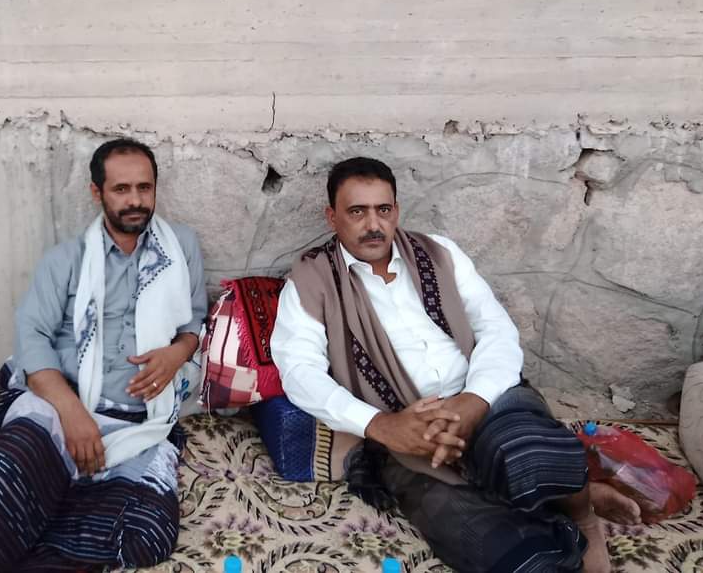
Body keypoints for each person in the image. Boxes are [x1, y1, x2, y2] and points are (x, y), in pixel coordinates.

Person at [270, 157, 639, 573]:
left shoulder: (439, 253)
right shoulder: (311, 280)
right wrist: (382, 426)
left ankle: (583, 516)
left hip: (486, 398)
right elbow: (298, 371)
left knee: (529, 453)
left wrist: (474, 401)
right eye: (357, 211)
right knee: (503, 552)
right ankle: (563, 501)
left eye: (383, 209)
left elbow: (496, 329)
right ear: (332, 217)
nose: (373, 224)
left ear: (396, 211)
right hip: (406, 431)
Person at [0, 138, 207, 573]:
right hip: (60, 402)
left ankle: (31, 525)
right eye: (121, 189)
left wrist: (177, 353)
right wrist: (72, 413)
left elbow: (194, 321)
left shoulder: (181, 247)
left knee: (146, 535)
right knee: (11, 470)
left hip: (140, 421)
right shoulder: (66, 259)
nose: (135, 200)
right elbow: (32, 340)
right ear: (96, 192)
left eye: (144, 187)